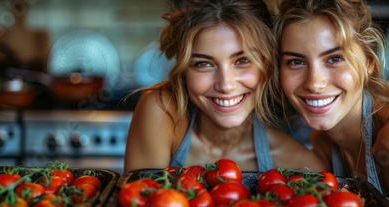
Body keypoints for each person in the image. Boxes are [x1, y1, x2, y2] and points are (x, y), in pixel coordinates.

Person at [272, 0, 389, 206]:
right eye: (296, 62)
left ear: (369, 62)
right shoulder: (325, 141)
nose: (314, 83)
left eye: (335, 58)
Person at [124, 0, 327, 174]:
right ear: (185, 70)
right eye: (203, 64)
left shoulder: (302, 166)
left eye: (243, 60)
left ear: (268, 65)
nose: (226, 85)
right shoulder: (161, 111)